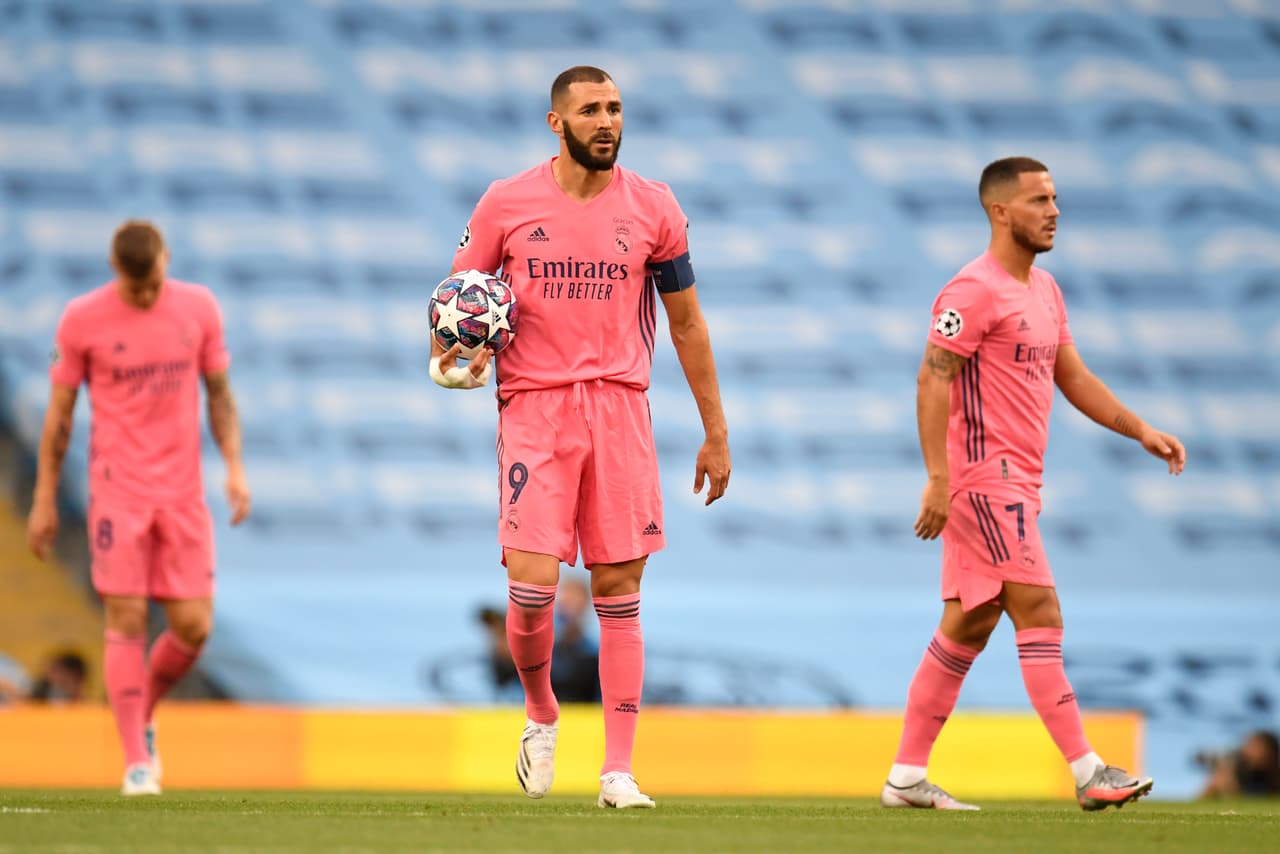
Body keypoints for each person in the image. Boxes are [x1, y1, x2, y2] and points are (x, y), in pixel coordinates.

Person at [432, 65, 731, 809]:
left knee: (619, 588)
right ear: (556, 123)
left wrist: (715, 430)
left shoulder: (654, 207)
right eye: (591, 110)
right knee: (532, 589)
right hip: (535, 407)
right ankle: (540, 711)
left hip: (621, 409)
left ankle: (618, 771)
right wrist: (449, 355)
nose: (608, 121)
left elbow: (688, 322)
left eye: (616, 108)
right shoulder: (507, 202)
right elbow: (455, 301)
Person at [880, 157, 1186, 812]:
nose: (1053, 211)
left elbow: (1071, 376)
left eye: (1055, 199)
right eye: (1039, 200)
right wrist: (938, 477)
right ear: (1000, 211)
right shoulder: (971, 291)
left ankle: (906, 777)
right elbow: (931, 378)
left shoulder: (1044, 291)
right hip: (985, 480)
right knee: (1040, 611)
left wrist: (1140, 430)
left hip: (1018, 481)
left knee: (968, 626)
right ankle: (1089, 771)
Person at [26, 220, 250, 796]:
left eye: (153, 284)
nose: (147, 297)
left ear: (165, 261)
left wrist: (234, 469)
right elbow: (60, 415)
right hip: (117, 490)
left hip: (181, 491)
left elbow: (219, 394)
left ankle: (141, 709)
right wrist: (46, 497)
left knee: (194, 627)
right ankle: (136, 763)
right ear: (114, 268)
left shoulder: (198, 308)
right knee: (125, 618)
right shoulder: (82, 319)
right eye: (136, 288)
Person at [1199, 730, 1280, 799]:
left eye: (1255, 747)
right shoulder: (1235, 771)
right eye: (1249, 746)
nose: (1248, 751)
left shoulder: (1272, 776)